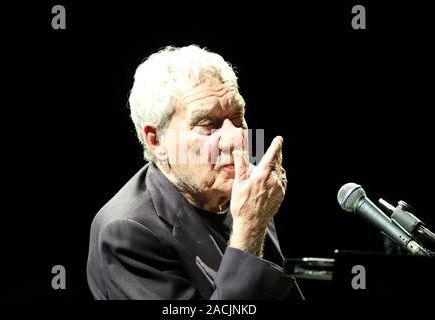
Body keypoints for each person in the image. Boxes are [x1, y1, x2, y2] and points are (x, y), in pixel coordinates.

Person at [86, 45, 303, 300]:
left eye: (237, 118)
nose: (235, 139)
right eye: (208, 125)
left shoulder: (244, 191)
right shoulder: (126, 233)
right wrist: (249, 227)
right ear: (156, 141)